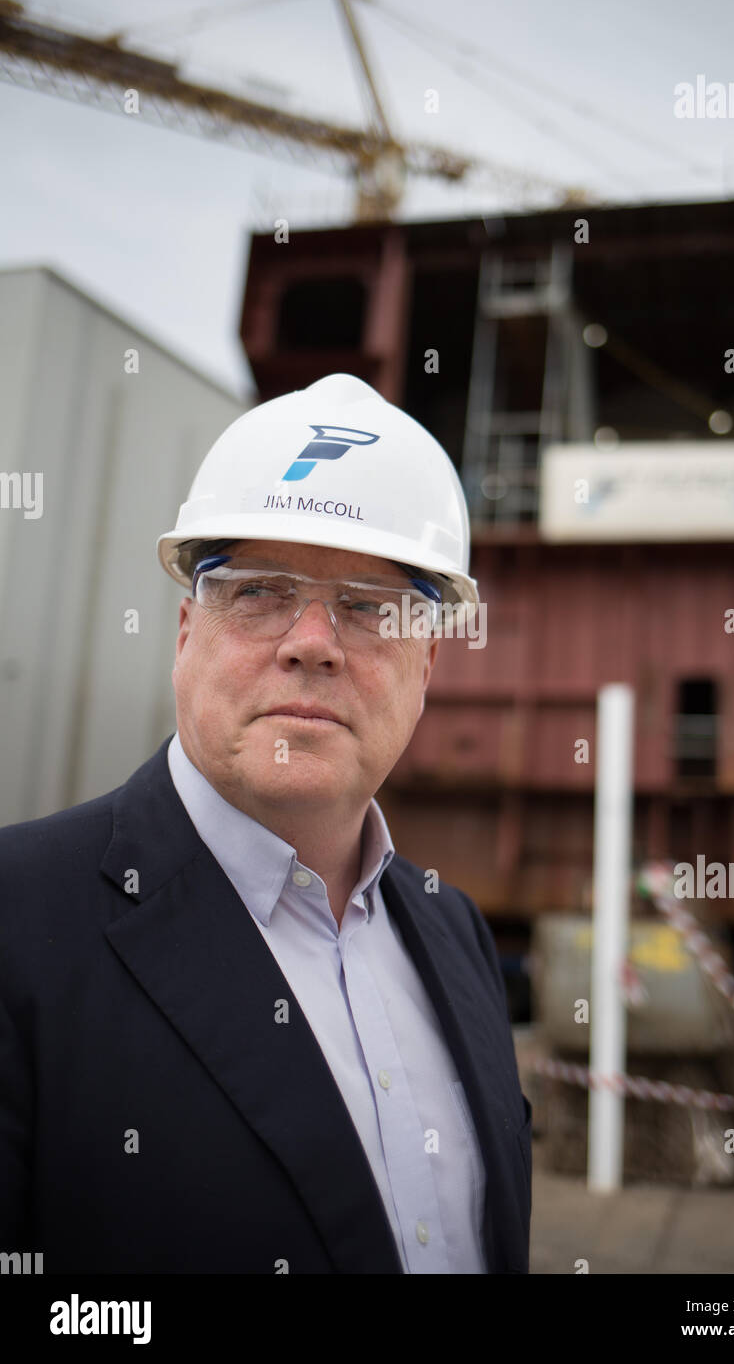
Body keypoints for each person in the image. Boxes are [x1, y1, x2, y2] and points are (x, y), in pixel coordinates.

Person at [0, 373, 531, 1275]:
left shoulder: (455, 932)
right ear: (183, 632)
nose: (313, 639)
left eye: (369, 608)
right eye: (258, 593)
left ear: (428, 662)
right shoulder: (17, 922)